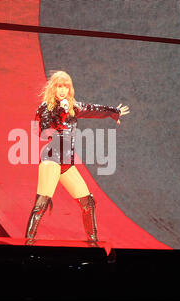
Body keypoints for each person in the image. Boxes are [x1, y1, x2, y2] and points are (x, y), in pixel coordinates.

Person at [25, 70, 130, 245]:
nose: (62, 91)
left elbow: (93, 109)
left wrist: (113, 112)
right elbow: (43, 132)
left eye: (66, 87)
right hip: (51, 160)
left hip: (67, 163)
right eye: (59, 86)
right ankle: (28, 241)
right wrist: (62, 113)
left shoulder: (72, 106)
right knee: (42, 202)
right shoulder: (46, 108)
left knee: (88, 202)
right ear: (53, 88)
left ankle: (93, 243)